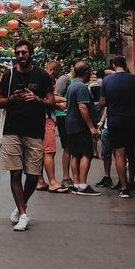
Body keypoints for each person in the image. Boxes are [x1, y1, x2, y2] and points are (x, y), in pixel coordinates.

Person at [0, 40, 55, 230]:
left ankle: (21, 204)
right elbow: (0, 102)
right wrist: (12, 99)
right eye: (18, 53)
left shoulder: (42, 75)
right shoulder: (9, 74)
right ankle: (23, 214)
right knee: (15, 173)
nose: (20, 56)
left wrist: (37, 99)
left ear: (31, 54)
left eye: (24, 53)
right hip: (12, 130)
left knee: (32, 175)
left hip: (34, 131)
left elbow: (51, 101)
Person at [99, 56, 135, 200]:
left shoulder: (107, 81)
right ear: (125, 65)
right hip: (132, 118)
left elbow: (102, 102)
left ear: (114, 65)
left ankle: (124, 187)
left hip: (115, 120)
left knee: (119, 153)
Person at [64, 60, 102, 196]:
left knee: (76, 154)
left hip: (71, 125)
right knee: (87, 153)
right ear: (86, 73)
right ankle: (82, 185)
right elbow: (82, 107)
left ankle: (76, 183)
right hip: (80, 126)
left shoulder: (71, 86)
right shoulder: (81, 87)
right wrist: (91, 127)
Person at [42, 61, 69, 193]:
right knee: (49, 152)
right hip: (46, 119)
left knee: (40, 153)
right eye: (56, 74)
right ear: (52, 70)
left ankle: (40, 181)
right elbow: (49, 99)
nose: (56, 77)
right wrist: (62, 102)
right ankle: (52, 182)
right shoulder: (45, 81)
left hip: (40, 119)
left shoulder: (40, 79)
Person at [54, 58, 79, 188]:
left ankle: (77, 177)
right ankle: (65, 176)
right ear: (72, 67)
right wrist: (70, 99)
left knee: (75, 146)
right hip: (63, 116)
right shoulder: (65, 79)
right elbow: (55, 96)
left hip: (76, 117)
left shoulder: (80, 80)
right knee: (68, 147)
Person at [95, 66, 115, 188]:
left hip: (115, 124)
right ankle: (107, 176)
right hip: (108, 124)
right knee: (106, 153)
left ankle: (123, 182)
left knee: (120, 154)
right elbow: (106, 108)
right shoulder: (109, 88)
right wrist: (102, 122)